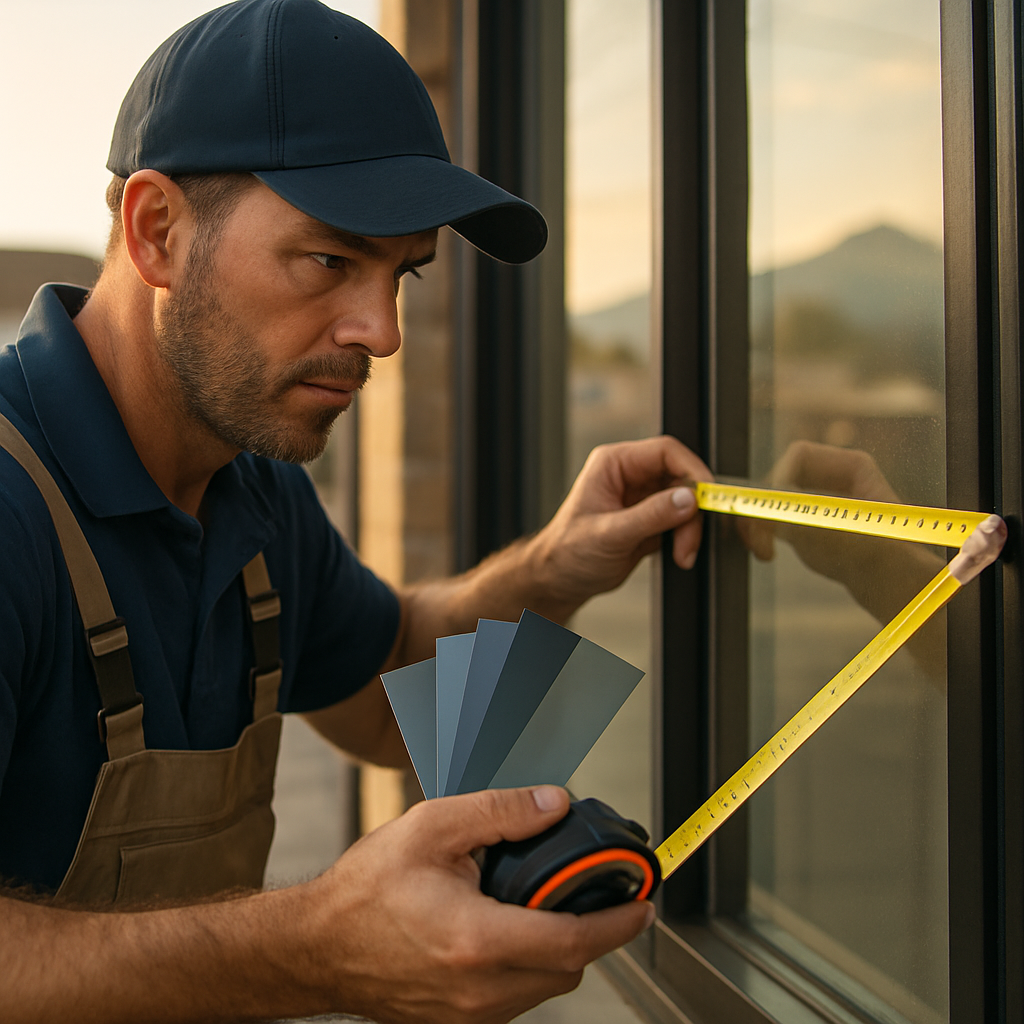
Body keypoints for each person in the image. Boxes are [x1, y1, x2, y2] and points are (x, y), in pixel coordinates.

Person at [0, 2, 711, 1021]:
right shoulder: (10, 507)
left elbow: (393, 715)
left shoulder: (256, 491)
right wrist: (314, 949)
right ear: (156, 230)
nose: (380, 332)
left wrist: (557, 571)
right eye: (330, 262)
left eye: (401, 274)